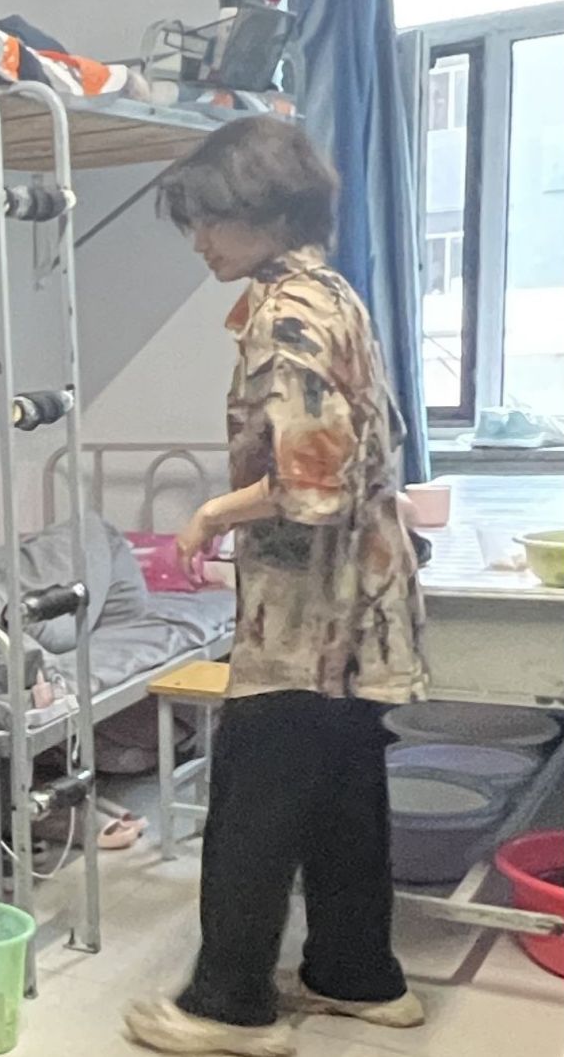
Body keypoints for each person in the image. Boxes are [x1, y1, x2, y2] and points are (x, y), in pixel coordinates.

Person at [123, 117, 430, 1057]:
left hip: (309, 619)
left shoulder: (287, 314)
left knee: (254, 799)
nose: (200, 242)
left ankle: (229, 1005)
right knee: (343, 791)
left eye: (210, 219)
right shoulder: (335, 292)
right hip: (363, 603)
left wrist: (211, 514)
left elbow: (312, 484)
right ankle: (357, 974)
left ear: (266, 211)